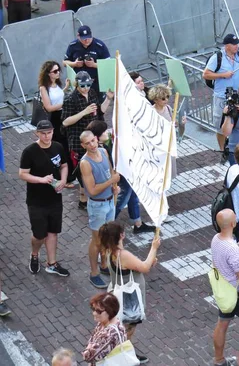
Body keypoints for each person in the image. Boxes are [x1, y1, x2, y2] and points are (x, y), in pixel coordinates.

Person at [99, 221, 160, 364]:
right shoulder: (122, 255)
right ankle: (123, 356)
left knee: (122, 328)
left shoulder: (109, 251)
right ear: (121, 235)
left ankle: (126, 352)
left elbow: (134, 267)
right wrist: (154, 247)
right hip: (128, 300)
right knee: (127, 330)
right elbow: (144, 267)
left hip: (117, 295)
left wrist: (149, 261)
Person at [18, 120, 70, 277]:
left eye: (49, 132)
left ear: (53, 132)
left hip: (54, 199)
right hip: (36, 201)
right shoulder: (29, 152)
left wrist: (62, 180)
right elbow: (22, 174)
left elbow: (64, 165)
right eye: (43, 133)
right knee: (39, 234)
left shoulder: (58, 147)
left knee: (53, 232)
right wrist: (42, 180)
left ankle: (52, 263)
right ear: (37, 133)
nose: (46, 136)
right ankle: (34, 254)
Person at [86, 120, 154, 234]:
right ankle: (109, 224)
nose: (106, 133)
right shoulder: (101, 150)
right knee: (121, 200)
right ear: (97, 137)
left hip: (124, 172)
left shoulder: (107, 143)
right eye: (103, 132)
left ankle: (138, 223)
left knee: (133, 196)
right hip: (120, 175)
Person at [202, 33, 239, 157]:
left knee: (238, 122)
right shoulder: (217, 57)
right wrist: (223, 75)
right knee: (220, 125)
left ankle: (237, 148)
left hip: (238, 97)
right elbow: (206, 74)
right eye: (234, 44)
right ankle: (223, 150)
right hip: (222, 97)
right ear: (227, 46)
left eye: (237, 44)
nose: (237, 46)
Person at [211, 208, 239, 366]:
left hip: (224, 291)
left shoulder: (216, 239)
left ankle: (218, 360)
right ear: (232, 223)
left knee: (222, 324)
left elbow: (227, 255)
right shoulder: (233, 250)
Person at [62, 71, 112, 209]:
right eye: (83, 85)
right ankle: (85, 199)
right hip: (79, 143)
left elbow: (100, 112)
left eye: (88, 84)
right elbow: (65, 122)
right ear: (77, 84)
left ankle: (84, 200)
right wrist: (84, 112)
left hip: (93, 137)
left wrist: (108, 99)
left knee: (95, 167)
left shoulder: (92, 93)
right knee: (83, 173)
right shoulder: (70, 99)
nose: (86, 88)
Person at [79, 130, 120, 289]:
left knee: (107, 236)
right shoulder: (85, 163)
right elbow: (93, 189)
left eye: (93, 141)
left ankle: (104, 265)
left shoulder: (103, 151)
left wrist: (114, 187)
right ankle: (94, 273)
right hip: (97, 204)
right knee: (96, 241)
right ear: (83, 145)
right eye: (88, 143)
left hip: (109, 201)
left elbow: (110, 170)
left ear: (96, 139)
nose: (92, 145)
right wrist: (112, 181)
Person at [38, 60, 75, 183]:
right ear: (48, 73)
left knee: (67, 144)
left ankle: (69, 174)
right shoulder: (44, 88)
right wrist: (64, 104)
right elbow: (49, 107)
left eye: (58, 70)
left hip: (63, 115)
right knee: (62, 146)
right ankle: (66, 177)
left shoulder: (56, 84)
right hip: (55, 118)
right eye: (55, 71)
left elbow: (58, 96)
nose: (58, 72)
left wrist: (65, 88)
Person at [63, 25, 110, 98]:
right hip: (79, 84)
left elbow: (108, 64)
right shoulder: (73, 46)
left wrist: (93, 64)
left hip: (95, 82)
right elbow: (65, 63)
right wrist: (75, 64)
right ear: (78, 37)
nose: (87, 40)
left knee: (97, 104)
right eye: (84, 38)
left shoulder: (99, 45)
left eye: (89, 38)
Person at [149, 83, 183, 180]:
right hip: (158, 144)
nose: (166, 100)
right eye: (163, 98)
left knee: (169, 164)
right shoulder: (151, 112)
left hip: (168, 142)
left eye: (167, 97)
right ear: (155, 99)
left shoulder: (168, 108)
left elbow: (174, 122)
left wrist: (180, 122)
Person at [82, 292, 127, 366]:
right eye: (93, 309)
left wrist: (87, 350)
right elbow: (93, 338)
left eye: (98, 311)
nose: (94, 313)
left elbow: (89, 357)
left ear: (110, 311)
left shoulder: (110, 334)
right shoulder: (110, 321)